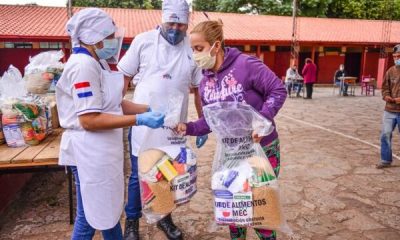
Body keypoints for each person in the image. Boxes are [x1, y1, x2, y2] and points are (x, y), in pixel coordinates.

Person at [56, 8, 165, 240]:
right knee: (89, 217)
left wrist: (148, 109)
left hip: (102, 152)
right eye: (109, 36)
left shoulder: (99, 63)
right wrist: (138, 120)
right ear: (94, 38)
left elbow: (114, 104)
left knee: (109, 211)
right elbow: (89, 119)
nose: (113, 41)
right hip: (89, 153)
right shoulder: (82, 66)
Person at [176, 20, 287, 240]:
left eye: (199, 49)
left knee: (259, 207)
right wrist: (187, 127)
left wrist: (262, 120)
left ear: (216, 46)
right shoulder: (205, 83)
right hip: (231, 154)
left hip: (261, 149)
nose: (195, 55)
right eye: (192, 50)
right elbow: (209, 121)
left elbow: (278, 89)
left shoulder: (246, 65)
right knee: (234, 209)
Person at [116, 1, 204, 239]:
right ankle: (132, 221)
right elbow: (123, 78)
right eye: (171, 22)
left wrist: (204, 122)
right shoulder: (143, 41)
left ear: (188, 22)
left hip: (175, 127)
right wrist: (115, 110)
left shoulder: (192, 47)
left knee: (166, 173)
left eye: (181, 23)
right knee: (138, 175)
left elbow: (198, 89)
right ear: (162, 19)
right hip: (144, 123)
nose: (175, 28)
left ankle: (164, 218)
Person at [376, 44, 400, 169]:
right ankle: (385, 159)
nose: (396, 58)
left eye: (399, 56)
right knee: (385, 134)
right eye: (395, 56)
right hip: (390, 110)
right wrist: (386, 96)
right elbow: (385, 88)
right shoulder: (390, 71)